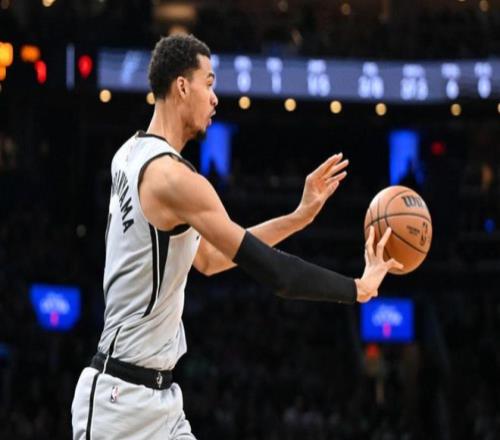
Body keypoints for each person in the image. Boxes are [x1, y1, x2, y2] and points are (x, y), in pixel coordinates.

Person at [71, 34, 402, 440]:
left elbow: (210, 259)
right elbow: (278, 276)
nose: (215, 98)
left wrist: (297, 218)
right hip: (119, 403)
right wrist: (357, 288)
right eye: (208, 83)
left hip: (160, 400)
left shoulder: (129, 154)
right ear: (182, 86)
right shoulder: (174, 179)